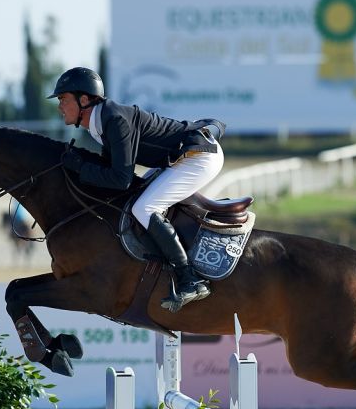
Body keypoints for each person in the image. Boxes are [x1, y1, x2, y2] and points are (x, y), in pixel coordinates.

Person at [50, 67, 225, 312]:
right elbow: (115, 173)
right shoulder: (100, 123)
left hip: (200, 156)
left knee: (145, 207)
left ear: (84, 100)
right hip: (181, 156)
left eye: (63, 99)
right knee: (139, 199)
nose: (59, 106)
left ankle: (190, 279)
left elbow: (120, 179)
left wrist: (80, 167)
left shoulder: (114, 119)